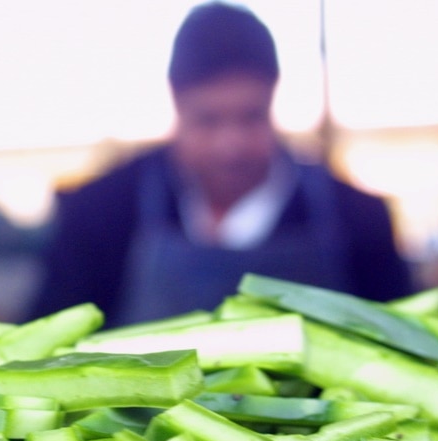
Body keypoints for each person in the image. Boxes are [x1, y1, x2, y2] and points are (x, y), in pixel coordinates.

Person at [28, 1, 415, 327]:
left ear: (274, 97)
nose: (230, 145)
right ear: (176, 103)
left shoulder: (356, 216)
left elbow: (401, 347)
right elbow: (46, 346)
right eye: (207, 120)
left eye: (251, 117)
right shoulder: (101, 211)